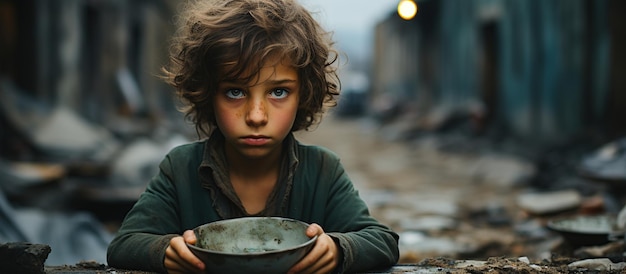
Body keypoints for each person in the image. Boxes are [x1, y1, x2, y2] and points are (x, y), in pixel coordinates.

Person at [106, 0, 400, 273]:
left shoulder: (322, 169)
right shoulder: (181, 167)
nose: (256, 116)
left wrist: (337, 249)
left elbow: (382, 241)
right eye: (235, 92)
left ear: (303, 94)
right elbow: (124, 244)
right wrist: (165, 251)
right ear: (209, 94)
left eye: (278, 92)